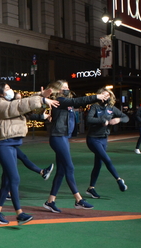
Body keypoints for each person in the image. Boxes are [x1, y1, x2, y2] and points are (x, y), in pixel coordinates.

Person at [0, 82, 57, 224]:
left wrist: (40, 95)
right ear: (0, 93)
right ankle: (19, 213)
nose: (10, 90)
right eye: (7, 88)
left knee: (6, 181)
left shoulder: (5, 102)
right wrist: (41, 100)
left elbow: (21, 103)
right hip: (4, 146)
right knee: (14, 179)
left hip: (10, 145)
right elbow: (17, 106)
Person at [42, 80, 110, 213]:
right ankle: (78, 199)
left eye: (68, 86)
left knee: (61, 170)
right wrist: (96, 97)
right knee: (69, 167)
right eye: (64, 87)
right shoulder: (60, 101)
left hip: (63, 137)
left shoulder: (65, 101)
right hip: (58, 137)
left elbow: (74, 104)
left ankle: (50, 201)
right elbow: (77, 101)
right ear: (58, 90)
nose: (67, 89)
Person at [85, 88, 129, 199]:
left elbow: (126, 117)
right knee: (106, 159)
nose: (106, 97)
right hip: (93, 139)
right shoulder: (95, 107)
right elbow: (89, 119)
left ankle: (91, 188)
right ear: (99, 95)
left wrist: (118, 120)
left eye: (107, 95)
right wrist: (102, 120)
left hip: (103, 139)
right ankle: (119, 180)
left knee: (98, 164)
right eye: (103, 94)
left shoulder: (111, 108)